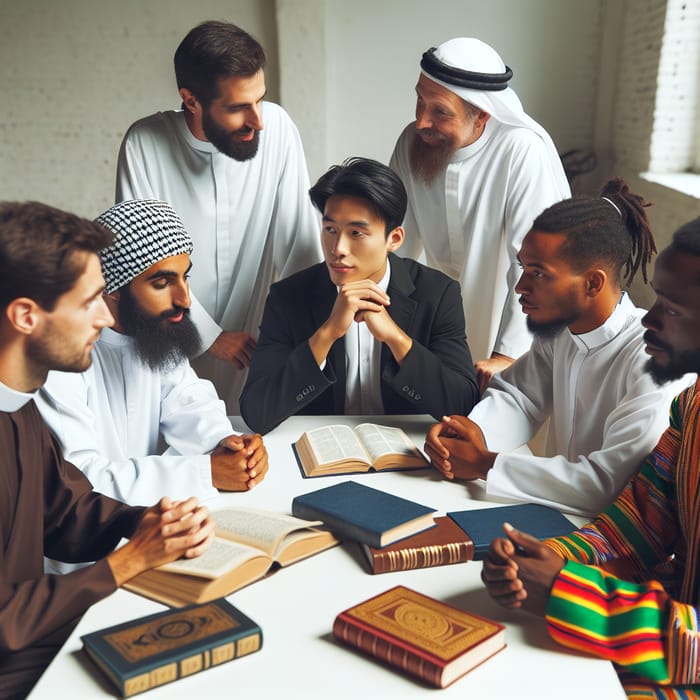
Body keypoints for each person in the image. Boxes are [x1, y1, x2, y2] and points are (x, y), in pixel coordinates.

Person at [0, 201, 214, 699]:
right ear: (26, 316)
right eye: (90, 301)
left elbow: (65, 509)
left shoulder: (19, 405)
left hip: (38, 639)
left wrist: (140, 522)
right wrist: (130, 560)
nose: (105, 316)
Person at [481, 218, 700, 697]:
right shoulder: (693, 407)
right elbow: (639, 521)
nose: (649, 319)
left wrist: (569, 592)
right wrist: (543, 559)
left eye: (672, 309)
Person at [425, 179, 693, 517]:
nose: (520, 287)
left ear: (592, 282)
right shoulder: (559, 333)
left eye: (539, 273)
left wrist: (485, 463)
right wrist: (469, 434)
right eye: (523, 267)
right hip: (555, 513)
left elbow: (609, 483)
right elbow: (520, 398)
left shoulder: (655, 361)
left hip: (619, 542)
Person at [116, 20, 321, 412]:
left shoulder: (277, 129)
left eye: (260, 100)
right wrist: (209, 337)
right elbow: (142, 264)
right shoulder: (144, 144)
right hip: (170, 345)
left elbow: (300, 244)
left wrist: (296, 343)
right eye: (238, 107)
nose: (257, 120)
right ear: (191, 100)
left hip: (261, 343)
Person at [36, 199, 268, 515]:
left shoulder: (154, 331)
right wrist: (206, 473)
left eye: (185, 277)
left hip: (149, 520)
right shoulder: (59, 358)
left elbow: (190, 402)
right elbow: (81, 479)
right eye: (162, 283)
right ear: (112, 289)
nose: (184, 299)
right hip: (85, 550)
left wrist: (227, 443)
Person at [240, 157, 479, 434]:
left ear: (395, 239)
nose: (338, 248)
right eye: (330, 230)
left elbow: (462, 406)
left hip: (410, 454)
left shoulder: (437, 294)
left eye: (356, 233)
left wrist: (396, 338)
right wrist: (327, 333)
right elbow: (256, 413)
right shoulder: (288, 297)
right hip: (318, 452)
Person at [390, 37, 571, 391]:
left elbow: (534, 262)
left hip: (512, 320)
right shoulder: (412, 142)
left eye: (439, 111)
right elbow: (395, 240)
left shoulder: (521, 151)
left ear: (482, 113)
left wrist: (508, 353)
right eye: (419, 100)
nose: (421, 120)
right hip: (436, 323)